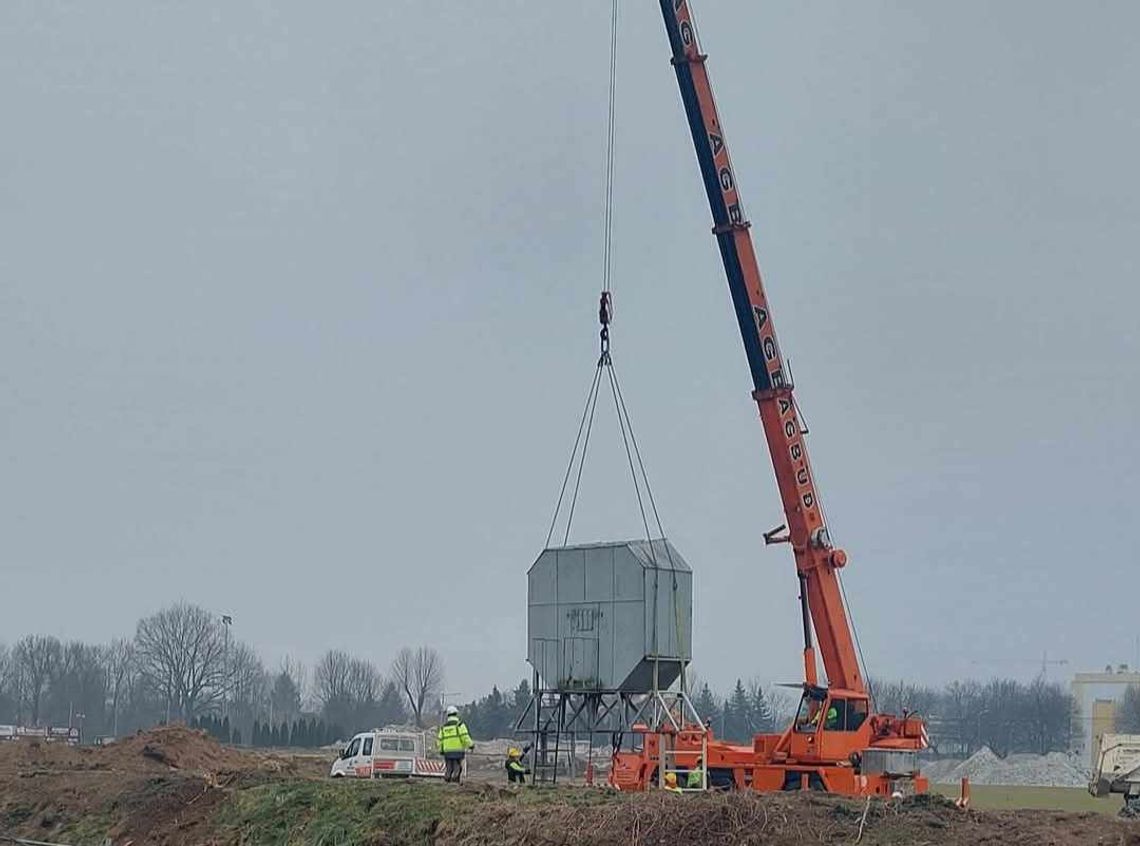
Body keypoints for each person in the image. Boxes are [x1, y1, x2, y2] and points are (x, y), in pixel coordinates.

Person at [437, 705, 474, 783]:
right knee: (457, 767)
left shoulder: (443, 727)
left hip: (447, 752)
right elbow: (465, 737)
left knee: (449, 768)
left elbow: (440, 740)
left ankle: (447, 780)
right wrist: (471, 745)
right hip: (458, 751)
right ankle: (455, 781)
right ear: (456, 714)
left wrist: (441, 750)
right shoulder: (459, 725)